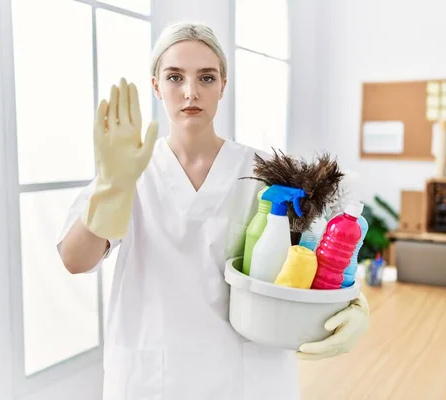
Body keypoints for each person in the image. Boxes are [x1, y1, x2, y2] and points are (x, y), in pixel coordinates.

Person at [57, 21, 369, 400]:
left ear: (223, 84)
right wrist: (112, 186)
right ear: (156, 85)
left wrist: (353, 302)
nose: (191, 92)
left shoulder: (266, 172)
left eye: (206, 78)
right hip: (154, 374)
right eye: (175, 77)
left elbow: (324, 253)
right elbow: (75, 259)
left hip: (247, 375)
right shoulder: (128, 169)